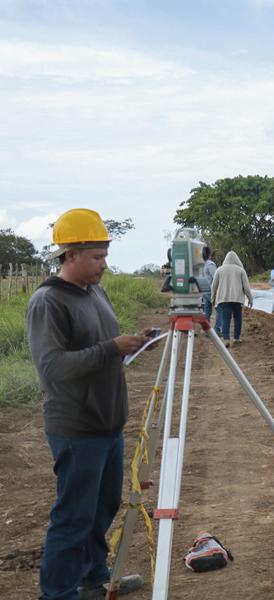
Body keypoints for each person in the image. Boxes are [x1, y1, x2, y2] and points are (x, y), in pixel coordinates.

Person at [26, 208, 149, 600]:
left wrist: (135, 342)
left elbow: (102, 350)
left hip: (108, 423)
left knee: (102, 508)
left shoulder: (96, 292)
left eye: (105, 255)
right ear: (71, 254)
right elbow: (53, 368)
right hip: (76, 428)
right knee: (74, 517)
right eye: (97, 257)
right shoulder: (48, 302)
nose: (104, 265)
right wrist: (110, 348)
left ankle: (94, 578)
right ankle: (58, 593)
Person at [211, 250, 253, 347]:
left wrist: (212, 298)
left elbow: (214, 286)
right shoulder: (241, 270)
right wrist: (250, 298)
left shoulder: (219, 270)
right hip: (237, 299)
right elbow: (246, 287)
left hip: (223, 299)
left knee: (226, 319)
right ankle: (237, 338)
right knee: (238, 318)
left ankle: (226, 340)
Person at [201, 248, 219, 332]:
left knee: (207, 311)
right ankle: (217, 329)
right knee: (220, 310)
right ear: (209, 255)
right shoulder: (210, 264)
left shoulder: (200, 264)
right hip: (210, 291)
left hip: (203, 291)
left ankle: (206, 330)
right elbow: (216, 277)